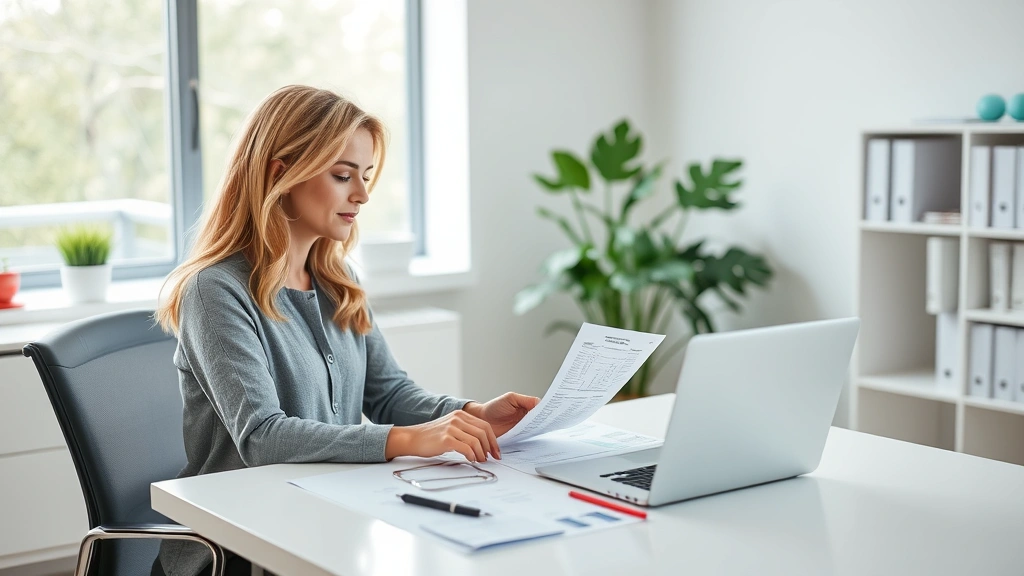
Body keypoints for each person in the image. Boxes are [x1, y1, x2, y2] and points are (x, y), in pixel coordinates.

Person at [152, 85, 540, 576]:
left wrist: (471, 414)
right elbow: (263, 438)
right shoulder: (215, 291)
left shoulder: (339, 282)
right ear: (281, 172)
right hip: (238, 551)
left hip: (325, 520)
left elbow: (388, 392)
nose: (362, 194)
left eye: (367, 176)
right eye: (343, 176)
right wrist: (408, 439)